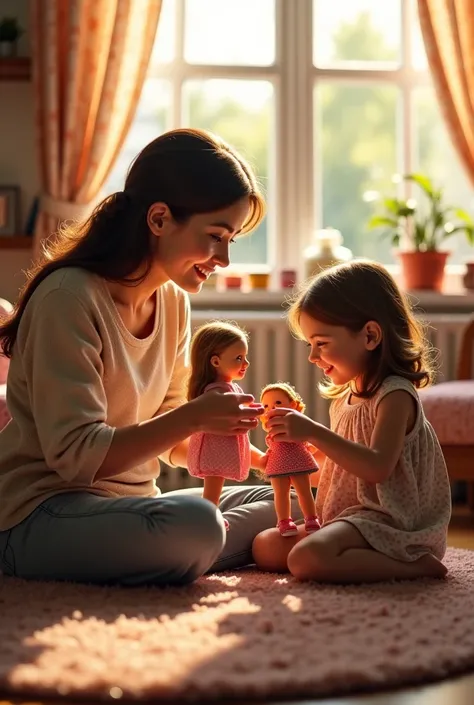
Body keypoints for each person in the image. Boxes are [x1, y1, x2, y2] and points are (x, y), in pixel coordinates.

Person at [0, 127, 302, 587]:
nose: (223, 258)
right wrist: (195, 417)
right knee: (196, 523)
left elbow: (176, 437)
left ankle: (188, 551)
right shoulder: (68, 298)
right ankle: (199, 547)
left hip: (130, 510)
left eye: (231, 241)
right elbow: (77, 459)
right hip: (42, 511)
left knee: (291, 495)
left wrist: (264, 454)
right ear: (159, 219)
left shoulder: (173, 301)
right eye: (215, 236)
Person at [252, 260, 452, 583]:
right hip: (348, 519)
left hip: (390, 523)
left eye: (322, 344)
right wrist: (284, 460)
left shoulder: (395, 396)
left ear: (370, 336)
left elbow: (376, 467)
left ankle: (413, 567)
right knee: (265, 547)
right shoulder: (345, 398)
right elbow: (337, 469)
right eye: (310, 345)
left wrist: (313, 432)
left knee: (305, 559)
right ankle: (347, 554)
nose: (313, 357)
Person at [187, 321, 262, 528]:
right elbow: (225, 413)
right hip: (215, 446)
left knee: (215, 482)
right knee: (214, 483)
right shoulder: (216, 392)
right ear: (215, 362)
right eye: (239, 358)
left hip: (221, 444)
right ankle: (209, 515)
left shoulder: (228, 388)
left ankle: (210, 513)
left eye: (245, 357)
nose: (245, 363)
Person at [259, 382, 319, 536]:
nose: (271, 408)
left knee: (304, 491)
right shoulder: (270, 427)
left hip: (297, 459)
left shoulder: (297, 423)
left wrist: (308, 444)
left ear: (292, 405)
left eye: (277, 403)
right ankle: (284, 521)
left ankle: (311, 518)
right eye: (266, 406)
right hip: (278, 462)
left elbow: (304, 435)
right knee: (280, 493)